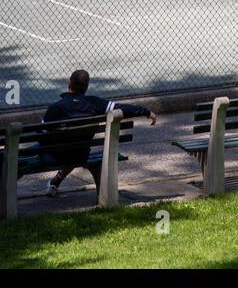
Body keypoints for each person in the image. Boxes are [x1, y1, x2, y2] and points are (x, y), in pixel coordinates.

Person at [37, 69, 155, 197]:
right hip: (81, 154)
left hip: (55, 157)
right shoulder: (94, 103)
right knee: (74, 146)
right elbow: (122, 108)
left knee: (40, 150)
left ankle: (53, 182)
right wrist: (146, 111)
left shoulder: (56, 107)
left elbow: (41, 135)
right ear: (86, 87)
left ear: (69, 84)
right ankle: (56, 181)